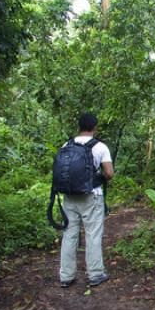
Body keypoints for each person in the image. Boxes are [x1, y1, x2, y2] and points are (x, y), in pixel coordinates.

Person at [59, 113, 114, 288]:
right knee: (93, 235)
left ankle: (66, 276)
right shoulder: (100, 147)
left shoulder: (67, 144)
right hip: (92, 196)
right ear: (94, 127)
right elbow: (109, 173)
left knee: (69, 234)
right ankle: (95, 274)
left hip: (69, 196)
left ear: (79, 127)